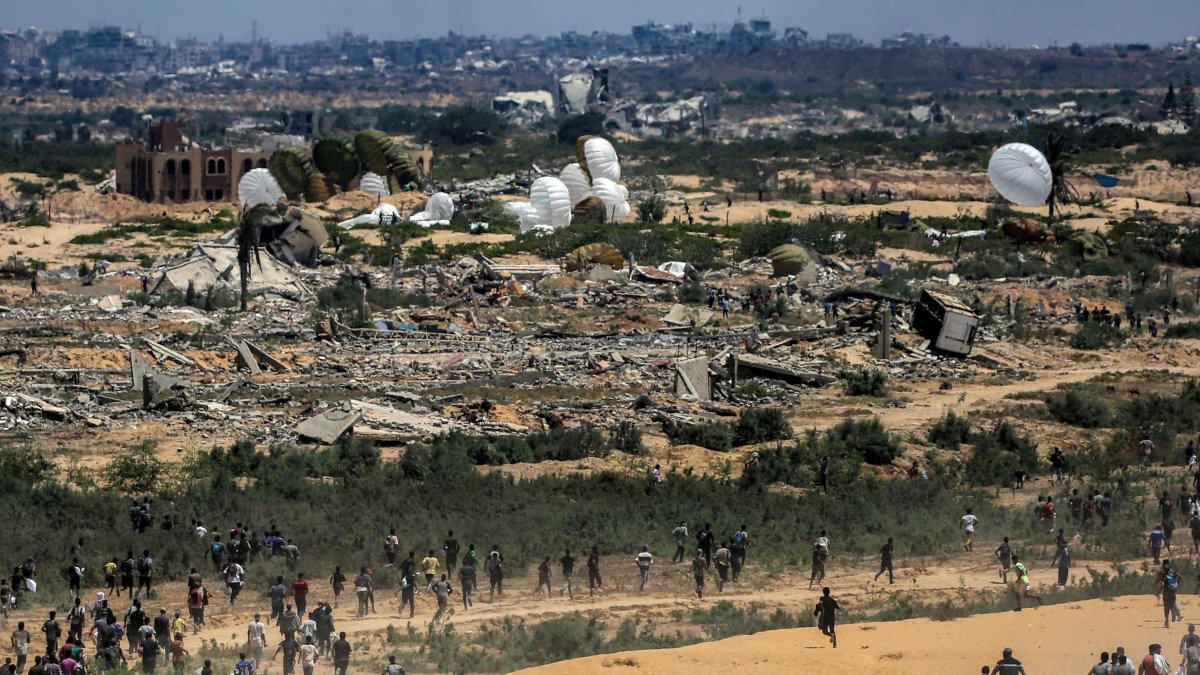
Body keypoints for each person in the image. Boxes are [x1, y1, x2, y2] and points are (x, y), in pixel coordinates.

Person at [1158, 562, 1184, 628]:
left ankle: (1167, 621)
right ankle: (1175, 614)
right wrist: (1177, 584)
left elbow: (1162, 585)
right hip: (1173, 592)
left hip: (1166, 592)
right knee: (1172, 604)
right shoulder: (1173, 573)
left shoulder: (1163, 573)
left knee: (1166, 607)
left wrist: (1158, 592)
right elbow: (1180, 578)